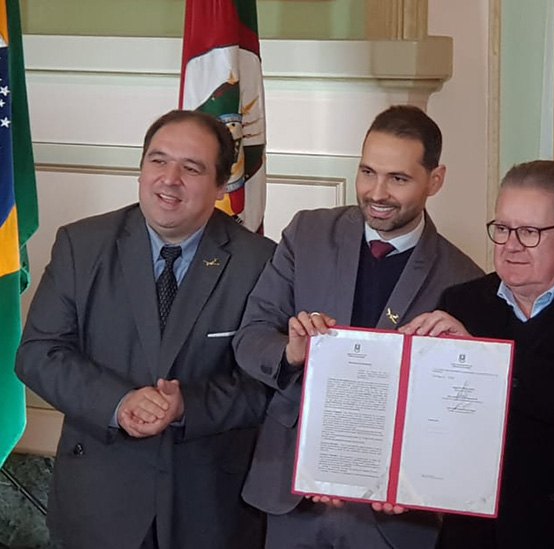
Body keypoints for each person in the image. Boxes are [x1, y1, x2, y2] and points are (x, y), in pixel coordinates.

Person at [16, 110, 275, 549]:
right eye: (158, 161)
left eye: (191, 168)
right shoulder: (82, 244)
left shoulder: (261, 262)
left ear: (220, 186)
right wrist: (118, 403)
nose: (169, 179)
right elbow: (39, 353)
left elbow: (266, 385)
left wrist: (188, 405)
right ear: (141, 169)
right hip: (99, 504)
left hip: (210, 509)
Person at [233, 105, 483, 549]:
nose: (376, 192)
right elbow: (250, 338)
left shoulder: (464, 279)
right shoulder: (307, 233)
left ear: (435, 180)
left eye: (398, 178)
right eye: (368, 172)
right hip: (292, 495)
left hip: (394, 516)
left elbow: (462, 413)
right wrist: (292, 353)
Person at [401, 160, 554, 549]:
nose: (511, 245)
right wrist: (400, 481)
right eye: (502, 229)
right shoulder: (463, 303)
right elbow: (435, 419)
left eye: (529, 232)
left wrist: (481, 357)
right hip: (473, 537)